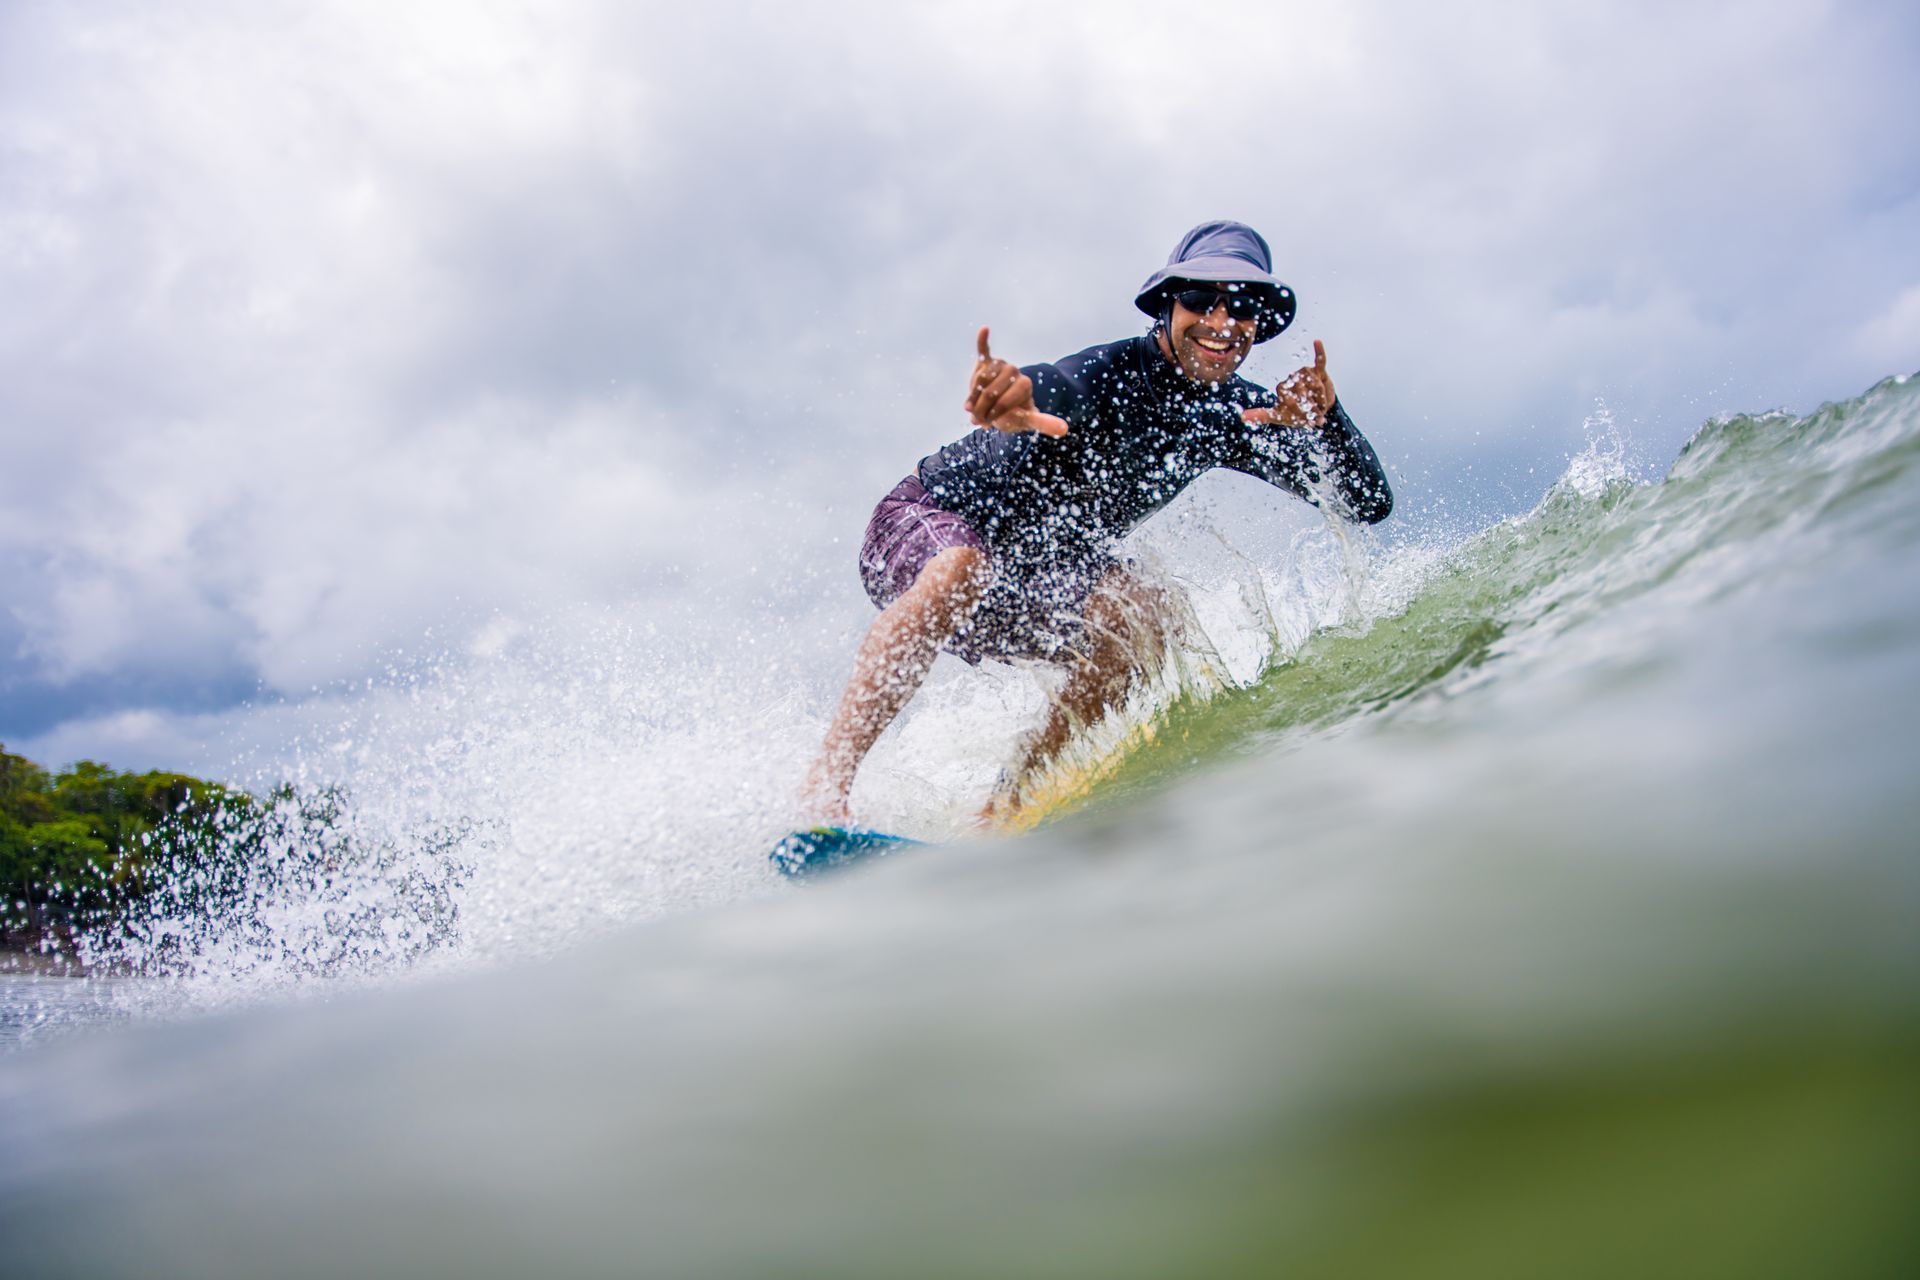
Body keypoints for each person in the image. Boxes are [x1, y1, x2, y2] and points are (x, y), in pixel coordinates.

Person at [801, 220, 1392, 826]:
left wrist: (1328, 418)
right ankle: (824, 795)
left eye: (1240, 304)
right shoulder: (1106, 374)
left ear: (1259, 323)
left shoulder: (1234, 415)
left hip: (1027, 573)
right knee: (960, 567)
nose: (1219, 321)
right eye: (1198, 299)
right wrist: (1015, 399)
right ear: (1167, 304)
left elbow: (1369, 503)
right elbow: (1048, 386)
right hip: (920, 524)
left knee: (1143, 618)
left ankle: (1001, 813)